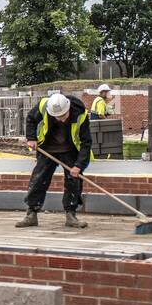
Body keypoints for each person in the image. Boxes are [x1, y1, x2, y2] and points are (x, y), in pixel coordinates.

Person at [16, 92, 93, 229]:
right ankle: (31, 214)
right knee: (38, 180)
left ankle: (71, 215)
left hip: (70, 150)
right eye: (57, 117)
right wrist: (31, 138)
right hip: (47, 149)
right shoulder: (44, 105)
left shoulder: (81, 115)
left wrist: (78, 166)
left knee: (73, 181)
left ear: (68, 108)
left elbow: (86, 143)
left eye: (63, 116)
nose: (60, 120)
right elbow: (31, 119)